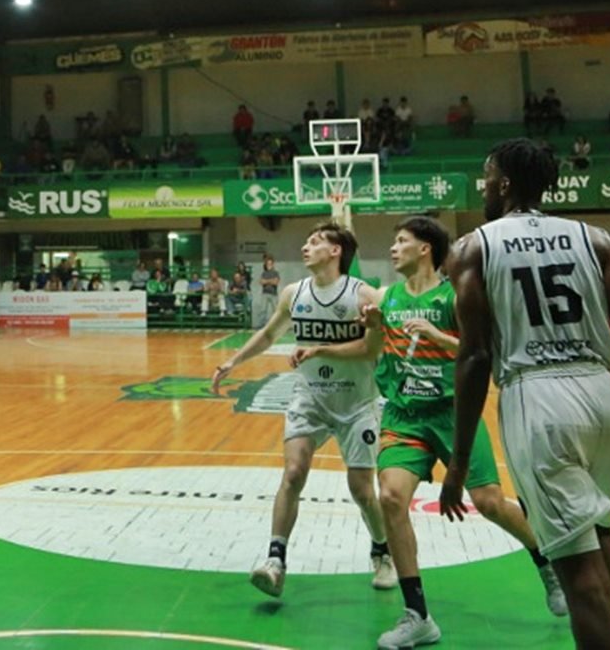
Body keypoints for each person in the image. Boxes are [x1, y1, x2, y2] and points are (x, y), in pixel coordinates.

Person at [440, 139, 610, 649]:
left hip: (539, 402)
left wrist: (457, 462)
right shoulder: (596, 239)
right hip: (609, 397)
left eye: (486, 176)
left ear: (504, 184)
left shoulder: (473, 247)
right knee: (600, 533)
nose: (483, 185)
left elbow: (474, 357)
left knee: (579, 580)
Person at [364, 217, 566, 649]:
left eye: (402, 241)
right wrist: (376, 326)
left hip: (456, 413)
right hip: (405, 414)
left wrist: (438, 334)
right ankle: (417, 614)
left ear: (425, 249)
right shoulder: (388, 296)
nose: (393, 248)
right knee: (391, 497)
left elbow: (487, 355)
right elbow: (372, 353)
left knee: (489, 502)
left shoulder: (455, 297)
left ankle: (546, 562)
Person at [211, 222, 395, 598]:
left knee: (362, 490)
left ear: (336, 251)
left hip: (357, 403)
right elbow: (268, 334)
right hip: (310, 398)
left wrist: (320, 350)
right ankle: (275, 560)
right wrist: (234, 361)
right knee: (293, 473)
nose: (306, 246)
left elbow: (373, 349)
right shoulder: (295, 293)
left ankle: (382, 551)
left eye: (315, 242)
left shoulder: (363, 295)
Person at [252, 255, 280, 329]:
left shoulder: (276, 273)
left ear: (273, 264)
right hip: (265, 293)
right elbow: (261, 282)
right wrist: (271, 281)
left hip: (273, 294)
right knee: (263, 310)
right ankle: (261, 325)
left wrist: (267, 281)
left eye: (270, 264)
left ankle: (277, 325)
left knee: (276, 310)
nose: (269, 265)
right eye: (268, 264)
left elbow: (276, 282)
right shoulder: (264, 273)